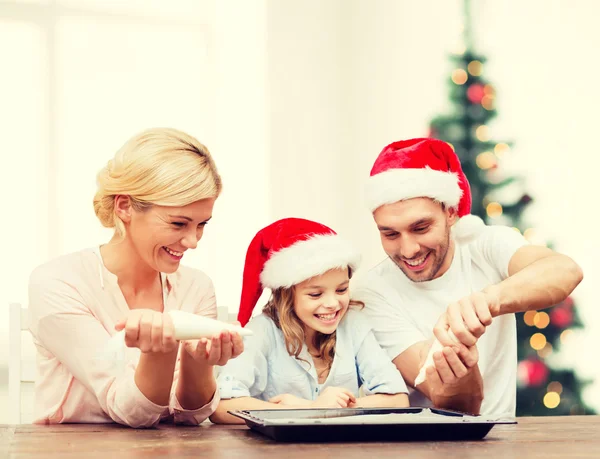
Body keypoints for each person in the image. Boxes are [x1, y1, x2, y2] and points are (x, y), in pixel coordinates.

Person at [28, 128, 243, 427]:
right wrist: (161, 351)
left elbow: (191, 416)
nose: (193, 241)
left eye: (201, 224)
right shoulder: (59, 282)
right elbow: (131, 412)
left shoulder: (197, 287)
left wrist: (199, 362)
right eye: (178, 223)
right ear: (125, 206)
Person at [353, 138, 583, 416]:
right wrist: (461, 365)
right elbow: (451, 403)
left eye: (421, 227)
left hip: (501, 442)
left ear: (450, 212)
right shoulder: (372, 293)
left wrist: (487, 301)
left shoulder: (484, 245)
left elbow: (565, 270)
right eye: (390, 234)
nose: (408, 249)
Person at [210, 218, 409, 424]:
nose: (333, 303)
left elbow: (398, 399)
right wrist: (313, 408)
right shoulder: (262, 330)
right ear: (286, 295)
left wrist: (327, 409)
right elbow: (222, 407)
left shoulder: (354, 324)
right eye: (315, 294)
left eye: (341, 289)